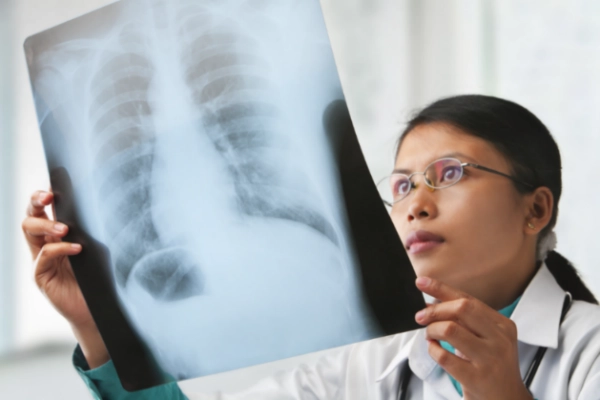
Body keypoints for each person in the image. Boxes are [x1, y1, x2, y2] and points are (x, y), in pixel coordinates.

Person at [22, 94, 600, 399]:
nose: (415, 205)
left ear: (536, 209)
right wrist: (95, 328)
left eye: (449, 174)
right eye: (401, 186)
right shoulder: (369, 364)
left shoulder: (588, 352)